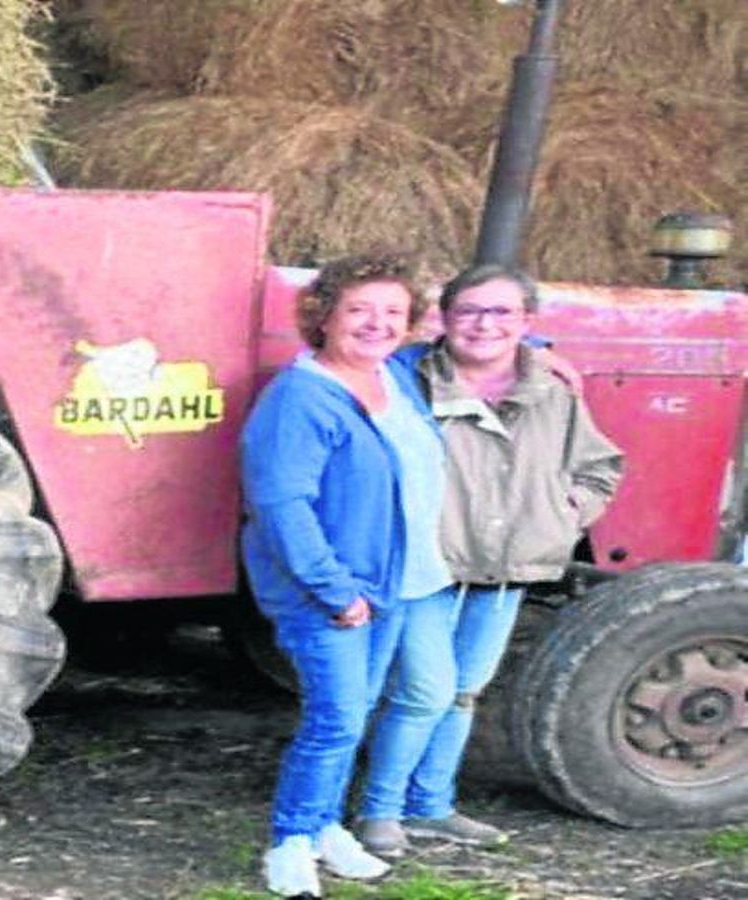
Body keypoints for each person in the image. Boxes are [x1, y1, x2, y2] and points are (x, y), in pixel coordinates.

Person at [355, 264, 624, 855]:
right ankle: (380, 811)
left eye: (502, 312)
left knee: (463, 691)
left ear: (527, 322)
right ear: (443, 321)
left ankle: (431, 806)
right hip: (429, 566)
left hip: (506, 567)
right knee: (423, 690)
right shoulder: (407, 380)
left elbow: (601, 465)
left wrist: (561, 514)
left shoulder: (552, 392)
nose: (484, 324)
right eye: (469, 311)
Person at [240, 253, 453, 897]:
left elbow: (487, 342)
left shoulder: (395, 378)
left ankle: (329, 827)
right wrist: (334, 589)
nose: (376, 323)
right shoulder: (301, 396)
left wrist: (541, 349)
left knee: (355, 713)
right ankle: (291, 842)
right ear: (323, 316)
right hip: (333, 591)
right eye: (359, 309)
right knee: (334, 720)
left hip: (390, 583)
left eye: (393, 312)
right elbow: (281, 502)